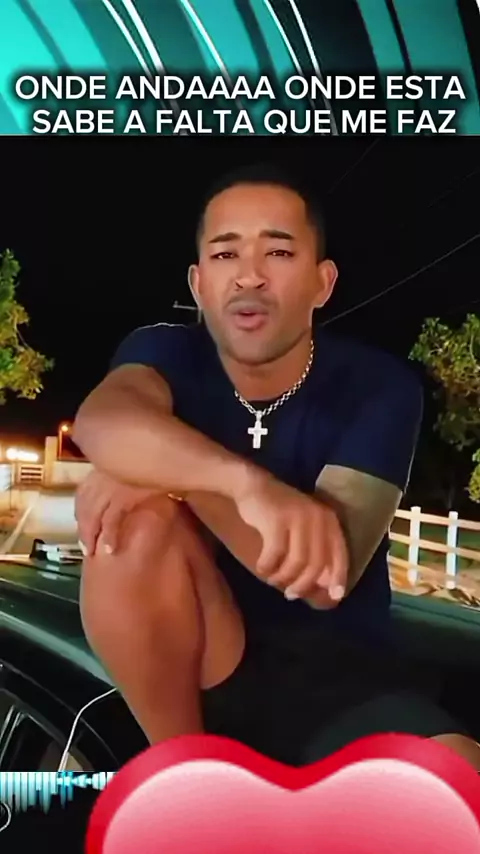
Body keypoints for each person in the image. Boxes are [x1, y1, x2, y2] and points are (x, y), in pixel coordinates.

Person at [73, 162, 480, 768]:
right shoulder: (165, 351)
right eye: (225, 254)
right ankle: (185, 775)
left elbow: (322, 581)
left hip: (340, 677)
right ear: (199, 283)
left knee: (457, 780)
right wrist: (242, 484)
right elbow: (102, 422)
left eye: (279, 253)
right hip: (203, 657)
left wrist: (167, 474)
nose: (249, 276)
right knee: (132, 526)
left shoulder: (377, 385)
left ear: (322, 283)